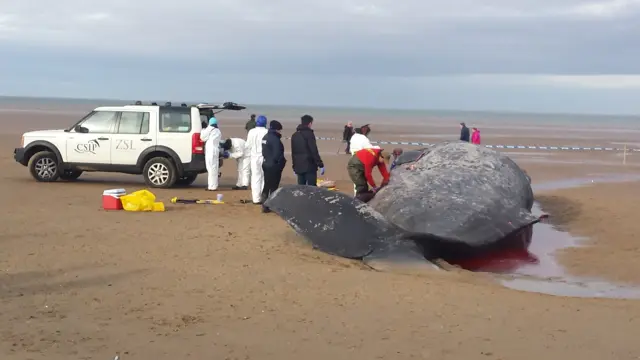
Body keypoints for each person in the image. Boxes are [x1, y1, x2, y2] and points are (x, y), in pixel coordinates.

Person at [260, 120, 286, 213]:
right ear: (277, 130)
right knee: (274, 187)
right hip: (273, 165)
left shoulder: (265, 137)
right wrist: (280, 163)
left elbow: (264, 151)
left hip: (266, 163)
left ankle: (265, 204)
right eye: (279, 130)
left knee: (267, 185)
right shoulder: (275, 139)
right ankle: (270, 205)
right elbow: (277, 153)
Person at [291, 114, 324, 186]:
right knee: (312, 187)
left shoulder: (294, 135)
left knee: (301, 187)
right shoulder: (309, 134)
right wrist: (320, 164)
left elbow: (293, 153)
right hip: (309, 166)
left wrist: (294, 166)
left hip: (298, 165)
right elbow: (314, 151)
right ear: (310, 123)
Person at [245, 115, 269, 204]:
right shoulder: (267, 132)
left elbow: (247, 145)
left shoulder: (251, 131)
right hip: (264, 157)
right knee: (264, 177)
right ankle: (263, 197)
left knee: (255, 177)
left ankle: (256, 199)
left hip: (254, 157)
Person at [200, 117, 222, 191]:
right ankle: (214, 185)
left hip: (210, 151)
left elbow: (202, 138)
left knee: (210, 168)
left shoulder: (209, 128)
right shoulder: (218, 131)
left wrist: (203, 129)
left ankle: (211, 187)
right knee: (214, 168)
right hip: (216, 150)